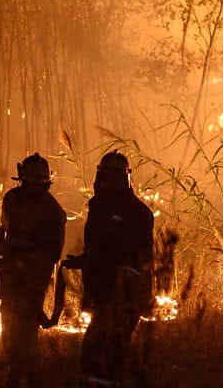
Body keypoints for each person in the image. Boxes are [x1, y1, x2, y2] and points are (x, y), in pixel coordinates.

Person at [0, 153, 66, 388]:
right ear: (21, 180)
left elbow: (51, 255)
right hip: (10, 279)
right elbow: (4, 233)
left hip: (32, 282)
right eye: (27, 182)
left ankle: (25, 378)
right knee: (9, 333)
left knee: (26, 335)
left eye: (35, 184)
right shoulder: (12, 199)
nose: (30, 188)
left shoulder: (53, 212)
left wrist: (22, 261)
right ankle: (19, 371)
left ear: (44, 184)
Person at [78, 150, 155, 387]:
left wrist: (137, 297)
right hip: (105, 294)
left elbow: (134, 259)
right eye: (105, 178)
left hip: (124, 295)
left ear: (123, 180)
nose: (105, 183)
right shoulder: (99, 208)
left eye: (111, 178)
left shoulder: (136, 213)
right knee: (95, 355)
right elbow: (100, 250)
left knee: (108, 355)